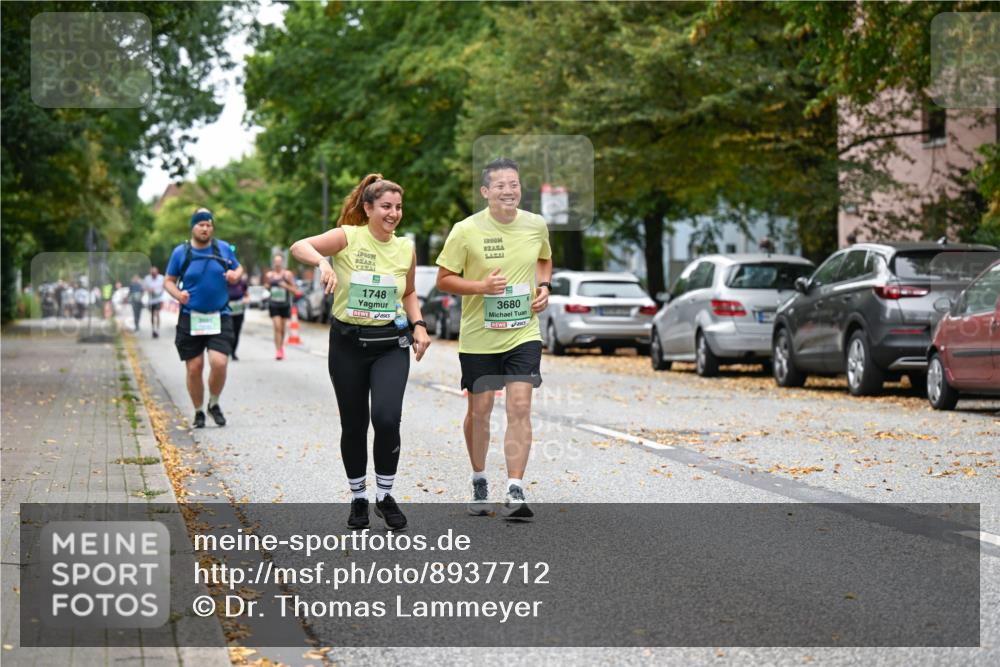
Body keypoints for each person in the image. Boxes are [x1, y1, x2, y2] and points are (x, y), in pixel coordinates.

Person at [290, 174, 431, 531]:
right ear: (367, 208)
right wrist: (322, 263)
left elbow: (409, 292)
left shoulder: (405, 248)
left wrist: (419, 325)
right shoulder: (348, 237)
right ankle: (358, 497)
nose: (393, 214)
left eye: (398, 207)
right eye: (386, 206)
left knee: (386, 419)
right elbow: (299, 246)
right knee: (354, 424)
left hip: (389, 346)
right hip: (348, 344)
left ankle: (385, 495)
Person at [435, 157, 552, 520]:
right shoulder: (465, 230)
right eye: (500, 185)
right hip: (479, 338)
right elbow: (444, 279)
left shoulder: (536, 225)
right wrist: (480, 287)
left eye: (513, 184)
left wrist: (544, 286)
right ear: (486, 192)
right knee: (480, 412)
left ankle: (515, 489)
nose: (508, 190)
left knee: (519, 407)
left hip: (523, 332)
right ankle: (479, 477)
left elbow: (544, 260)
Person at [163, 208, 243, 429]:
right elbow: (168, 280)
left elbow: (238, 269)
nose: (205, 228)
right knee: (194, 367)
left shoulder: (223, 248)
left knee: (219, 362)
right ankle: (198, 411)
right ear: (193, 226)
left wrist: (235, 275)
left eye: (209, 225)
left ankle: (213, 403)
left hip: (220, 315)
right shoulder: (181, 252)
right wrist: (179, 295)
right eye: (201, 224)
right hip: (191, 316)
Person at [264, 254, 298, 360]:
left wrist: (285, 286)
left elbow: (294, 290)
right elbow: (266, 287)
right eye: (276, 261)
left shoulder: (287, 275)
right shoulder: (269, 275)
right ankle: (278, 350)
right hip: (273, 304)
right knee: (277, 327)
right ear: (273, 263)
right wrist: (267, 286)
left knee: (282, 329)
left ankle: (281, 347)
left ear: (282, 263)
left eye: (279, 261)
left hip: (285, 305)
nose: (277, 263)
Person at [227, 273, 249, 360]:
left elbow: (247, 295)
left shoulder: (242, 283)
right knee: (229, 331)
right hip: (227, 312)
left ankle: (233, 352)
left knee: (236, 331)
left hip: (239, 311)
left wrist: (246, 300)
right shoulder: (225, 283)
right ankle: (227, 350)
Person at [143, 266, 166, 338]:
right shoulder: (147, 278)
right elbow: (144, 288)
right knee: (152, 315)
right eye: (152, 273)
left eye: (155, 273)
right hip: (151, 300)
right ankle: (153, 329)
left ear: (157, 272)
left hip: (159, 299)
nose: (154, 274)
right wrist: (149, 290)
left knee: (157, 313)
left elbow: (164, 287)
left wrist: (162, 293)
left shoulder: (161, 278)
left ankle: (157, 330)